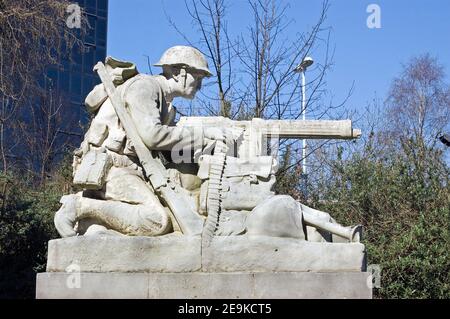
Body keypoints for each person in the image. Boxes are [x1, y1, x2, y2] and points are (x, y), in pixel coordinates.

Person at [54, 46, 225, 238]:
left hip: (133, 169)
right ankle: (79, 206)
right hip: (111, 167)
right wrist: (202, 137)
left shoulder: (166, 105)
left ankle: (95, 225)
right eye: (198, 77)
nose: (200, 85)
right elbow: (152, 135)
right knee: (156, 220)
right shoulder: (144, 87)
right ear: (180, 73)